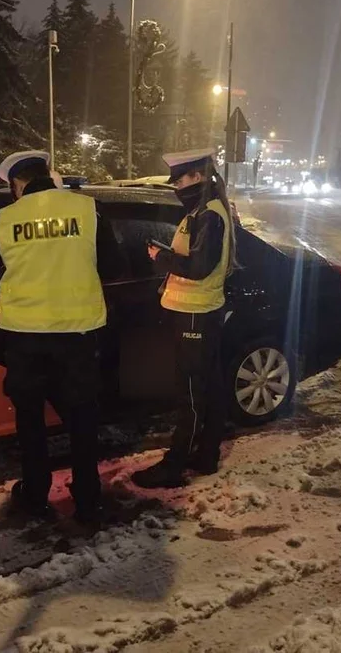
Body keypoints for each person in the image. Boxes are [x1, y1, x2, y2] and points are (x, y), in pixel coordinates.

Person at [0, 151, 123, 523]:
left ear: (16, 184)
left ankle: (35, 493)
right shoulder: (87, 209)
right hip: (78, 333)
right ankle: (88, 497)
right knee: (81, 416)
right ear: (49, 174)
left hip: (26, 338)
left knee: (30, 419)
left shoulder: (6, 218)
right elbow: (112, 266)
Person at [131, 149, 236, 489]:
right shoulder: (207, 210)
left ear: (197, 176)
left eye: (180, 179)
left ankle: (173, 466)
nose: (177, 186)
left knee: (190, 393)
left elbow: (198, 267)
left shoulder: (208, 215)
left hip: (195, 313)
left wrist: (161, 256)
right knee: (211, 387)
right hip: (203, 311)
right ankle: (206, 455)